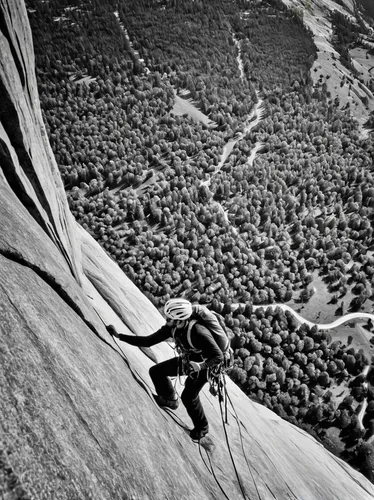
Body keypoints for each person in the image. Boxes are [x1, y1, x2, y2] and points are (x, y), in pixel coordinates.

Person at [107, 298, 228, 441]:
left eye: (169, 318)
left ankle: (202, 428)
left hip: (206, 364)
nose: (166, 320)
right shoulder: (173, 328)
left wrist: (200, 366)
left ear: (179, 320)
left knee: (188, 397)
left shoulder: (199, 332)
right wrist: (119, 336)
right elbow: (148, 341)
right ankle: (170, 399)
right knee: (156, 371)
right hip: (191, 359)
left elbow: (218, 356)